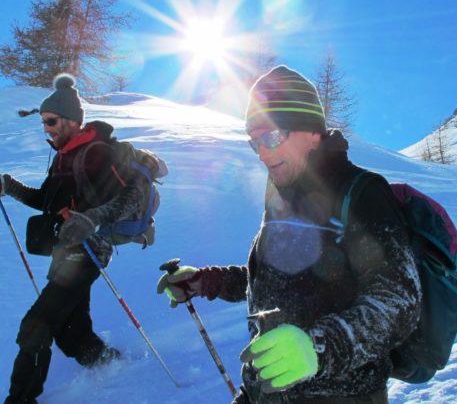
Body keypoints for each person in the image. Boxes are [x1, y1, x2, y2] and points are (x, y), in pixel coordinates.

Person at [157, 65, 422, 403]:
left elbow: (398, 300)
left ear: (312, 131)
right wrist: (206, 281)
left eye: (272, 137)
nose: (264, 154)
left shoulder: (361, 193)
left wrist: (318, 348)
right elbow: (275, 282)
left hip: (340, 395)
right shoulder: (283, 196)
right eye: (255, 143)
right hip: (265, 389)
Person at [1, 74, 145, 404]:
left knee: (35, 325)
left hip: (88, 251)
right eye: (43, 122)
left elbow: (132, 196)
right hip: (62, 252)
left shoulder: (96, 151)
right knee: (70, 332)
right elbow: (46, 201)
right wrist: (9, 185)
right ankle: (113, 368)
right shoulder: (63, 158)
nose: (46, 128)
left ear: (70, 120)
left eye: (50, 121)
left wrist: (91, 219)